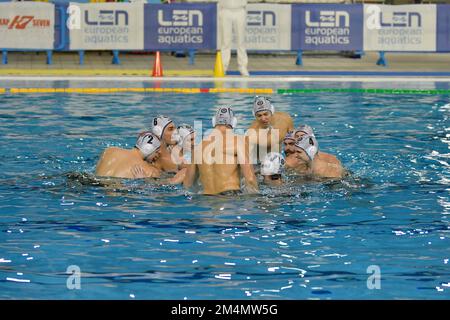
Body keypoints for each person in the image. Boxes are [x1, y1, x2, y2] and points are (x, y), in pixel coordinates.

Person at [183, 106, 258, 195]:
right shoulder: (238, 141)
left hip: (207, 200)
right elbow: (250, 178)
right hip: (230, 199)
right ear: (234, 122)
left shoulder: (199, 147)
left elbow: (188, 184)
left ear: (214, 121)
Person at [95, 131, 162, 179]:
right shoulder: (149, 171)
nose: (158, 155)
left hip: (91, 184)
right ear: (149, 149)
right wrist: (142, 180)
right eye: (157, 151)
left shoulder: (109, 151)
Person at [248, 96, 294, 162]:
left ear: (272, 111)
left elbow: (294, 143)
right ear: (254, 116)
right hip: (261, 164)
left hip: (279, 160)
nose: (263, 118)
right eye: (259, 115)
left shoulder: (285, 119)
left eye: (265, 114)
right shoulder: (253, 131)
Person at [218, 0, 249, 76]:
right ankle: (223, 67)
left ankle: (242, 66)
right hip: (225, 9)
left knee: (241, 41)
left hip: (240, 10)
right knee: (225, 41)